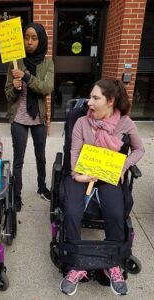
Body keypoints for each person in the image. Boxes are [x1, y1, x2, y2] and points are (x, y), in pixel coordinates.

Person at [60, 79, 145, 296]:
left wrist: (123, 166)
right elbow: (74, 154)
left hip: (108, 175)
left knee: (116, 212)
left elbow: (139, 149)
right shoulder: (81, 123)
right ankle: (76, 265)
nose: (89, 102)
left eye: (95, 98)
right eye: (90, 97)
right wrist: (79, 176)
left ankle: (112, 264)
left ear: (110, 102)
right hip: (82, 174)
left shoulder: (125, 123)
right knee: (71, 211)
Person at [5, 22, 54, 211]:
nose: (29, 42)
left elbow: (46, 88)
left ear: (40, 40)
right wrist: (16, 89)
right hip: (19, 119)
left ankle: (42, 187)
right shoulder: (15, 61)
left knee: (40, 156)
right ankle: (17, 194)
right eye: (26, 37)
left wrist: (26, 78)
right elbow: (8, 93)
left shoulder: (48, 63)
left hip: (38, 118)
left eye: (34, 38)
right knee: (19, 159)